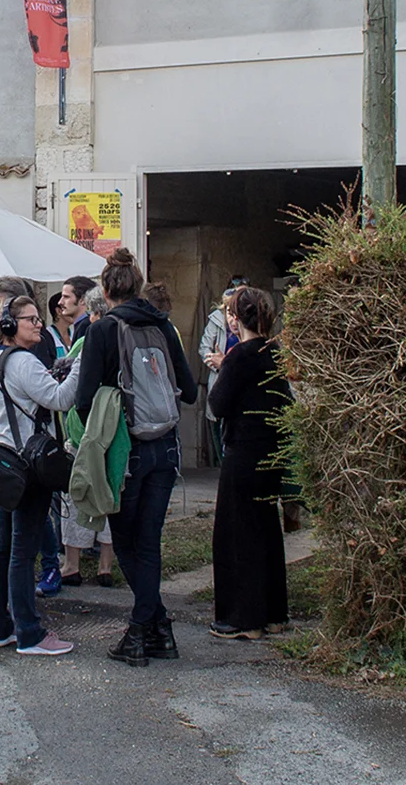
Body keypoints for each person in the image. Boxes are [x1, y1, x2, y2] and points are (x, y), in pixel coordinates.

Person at [73, 248, 197, 666]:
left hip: (126, 452)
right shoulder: (163, 326)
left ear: (105, 291)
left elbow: (84, 399)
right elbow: (191, 392)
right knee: (149, 543)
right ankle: (159, 629)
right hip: (166, 447)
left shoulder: (102, 331)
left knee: (126, 544)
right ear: (138, 286)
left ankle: (140, 631)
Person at [0, 295, 77, 656]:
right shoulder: (24, 362)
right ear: (9, 325)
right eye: (30, 319)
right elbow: (60, 399)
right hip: (28, 467)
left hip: (3, 463)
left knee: (3, 547)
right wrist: (81, 364)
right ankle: (30, 632)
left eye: (38, 319)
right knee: (23, 550)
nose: (38, 324)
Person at [208, 286, 292, 639]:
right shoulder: (275, 353)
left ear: (237, 318)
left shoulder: (240, 355)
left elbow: (217, 403)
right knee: (267, 531)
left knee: (236, 534)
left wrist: (225, 366)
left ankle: (244, 617)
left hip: (243, 450)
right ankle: (274, 612)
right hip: (270, 450)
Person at [59, 286, 115, 587]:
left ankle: (72, 563)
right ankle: (105, 566)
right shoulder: (123, 336)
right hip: (113, 431)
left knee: (77, 493)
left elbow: (73, 385)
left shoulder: (85, 340)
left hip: (84, 430)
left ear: (94, 313)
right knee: (108, 493)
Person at [199, 278, 248, 464]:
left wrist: (225, 363)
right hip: (220, 382)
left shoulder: (253, 340)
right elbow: (204, 348)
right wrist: (216, 363)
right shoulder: (216, 321)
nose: (233, 320)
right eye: (229, 312)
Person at [58, 275, 96, 344]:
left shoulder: (86, 326)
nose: (60, 302)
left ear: (83, 300)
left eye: (66, 297)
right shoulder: (83, 324)